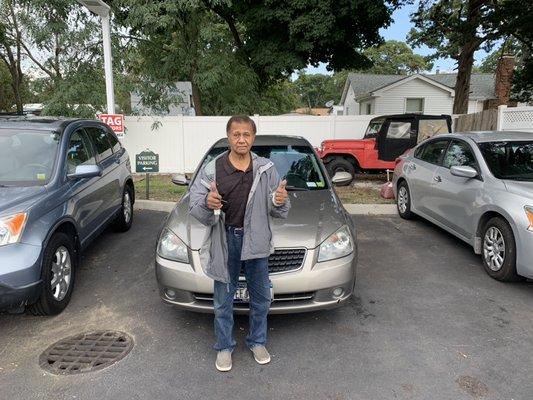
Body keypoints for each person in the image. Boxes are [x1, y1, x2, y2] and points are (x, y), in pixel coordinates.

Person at [188, 115, 290, 372]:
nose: (241, 139)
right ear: (229, 137)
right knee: (223, 298)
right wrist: (207, 204)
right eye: (236, 134)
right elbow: (195, 205)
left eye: (246, 134)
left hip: (256, 240)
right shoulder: (213, 169)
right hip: (226, 240)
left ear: (253, 138)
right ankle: (224, 347)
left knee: (261, 298)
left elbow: (278, 209)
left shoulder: (266, 169)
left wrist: (279, 200)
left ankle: (257, 341)